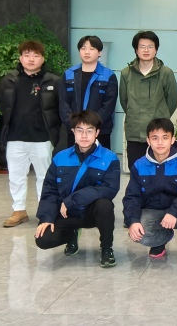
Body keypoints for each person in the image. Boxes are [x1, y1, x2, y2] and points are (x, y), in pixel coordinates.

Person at [34, 110, 120, 268]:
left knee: (105, 205)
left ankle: (107, 249)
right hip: (65, 213)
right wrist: (46, 217)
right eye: (80, 130)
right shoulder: (60, 157)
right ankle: (71, 235)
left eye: (89, 131)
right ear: (73, 131)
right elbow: (50, 189)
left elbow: (109, 189)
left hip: (91, 213)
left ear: (97, 133)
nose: (84, 136)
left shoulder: (110, 158)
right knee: (43, 239)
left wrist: (72, 200)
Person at [123, 117, 177, 271]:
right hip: (153, 211)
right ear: (148, 140)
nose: (160, 143)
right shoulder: (139, 165)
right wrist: (132, 221)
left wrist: (174, 212)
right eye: (155, 138)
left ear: (172, 139)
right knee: (140, 232)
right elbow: (132, 196)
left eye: (165, 138)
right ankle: (161, 241)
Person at [0, 40, 62, 228]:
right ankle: (19, 211)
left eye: (35, 55)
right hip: (15, 137)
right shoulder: (9, 80)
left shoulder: (53, 81)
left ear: (43, 58)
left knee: (45, 177)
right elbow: (3, 104)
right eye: (27, 55)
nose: (31, 59)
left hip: (42, 138)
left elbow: (59, 109)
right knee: (16, 176)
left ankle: (45, 212)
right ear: (20, 58)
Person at [119, 30, 177, 171]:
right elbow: (124, 101)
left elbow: (172, 101)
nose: (146, 50)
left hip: (159, 134)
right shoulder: (126, 73)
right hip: (135, 132)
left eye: (150, 46)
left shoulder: (166, 73)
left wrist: (161, 116)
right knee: (136, 171)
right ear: (136, 50)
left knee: (160, 172)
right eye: (142, 46)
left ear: (156, 50)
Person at [59, 35, 118, 149]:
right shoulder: (69, 74)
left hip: (100, 131)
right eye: (83, 48)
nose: (87, 52)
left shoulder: (108, 75)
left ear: (99, 52)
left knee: (100, 160)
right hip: (74, 130)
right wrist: (74, 124)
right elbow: (63, 102)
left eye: (91, 49)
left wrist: (91, 125)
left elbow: (108, 106)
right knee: (75, 159)